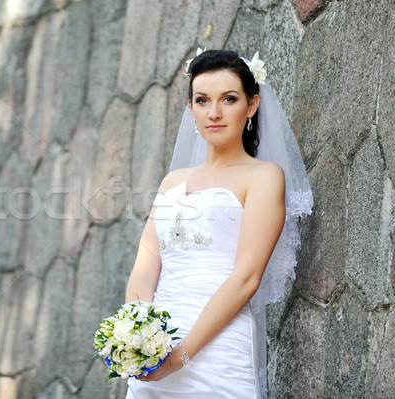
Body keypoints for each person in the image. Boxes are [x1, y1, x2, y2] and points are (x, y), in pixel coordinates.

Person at [124, 49, 312, 399]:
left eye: (228, 99)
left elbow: (246, 278)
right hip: (155, 354)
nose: (213, 113)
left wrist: (182, 354)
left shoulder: (264, 177)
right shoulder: (171, 182)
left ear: (252, 105)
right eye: (202, 100)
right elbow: (145, 268)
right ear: (191, 107)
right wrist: (136, 338)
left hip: (218, 349)